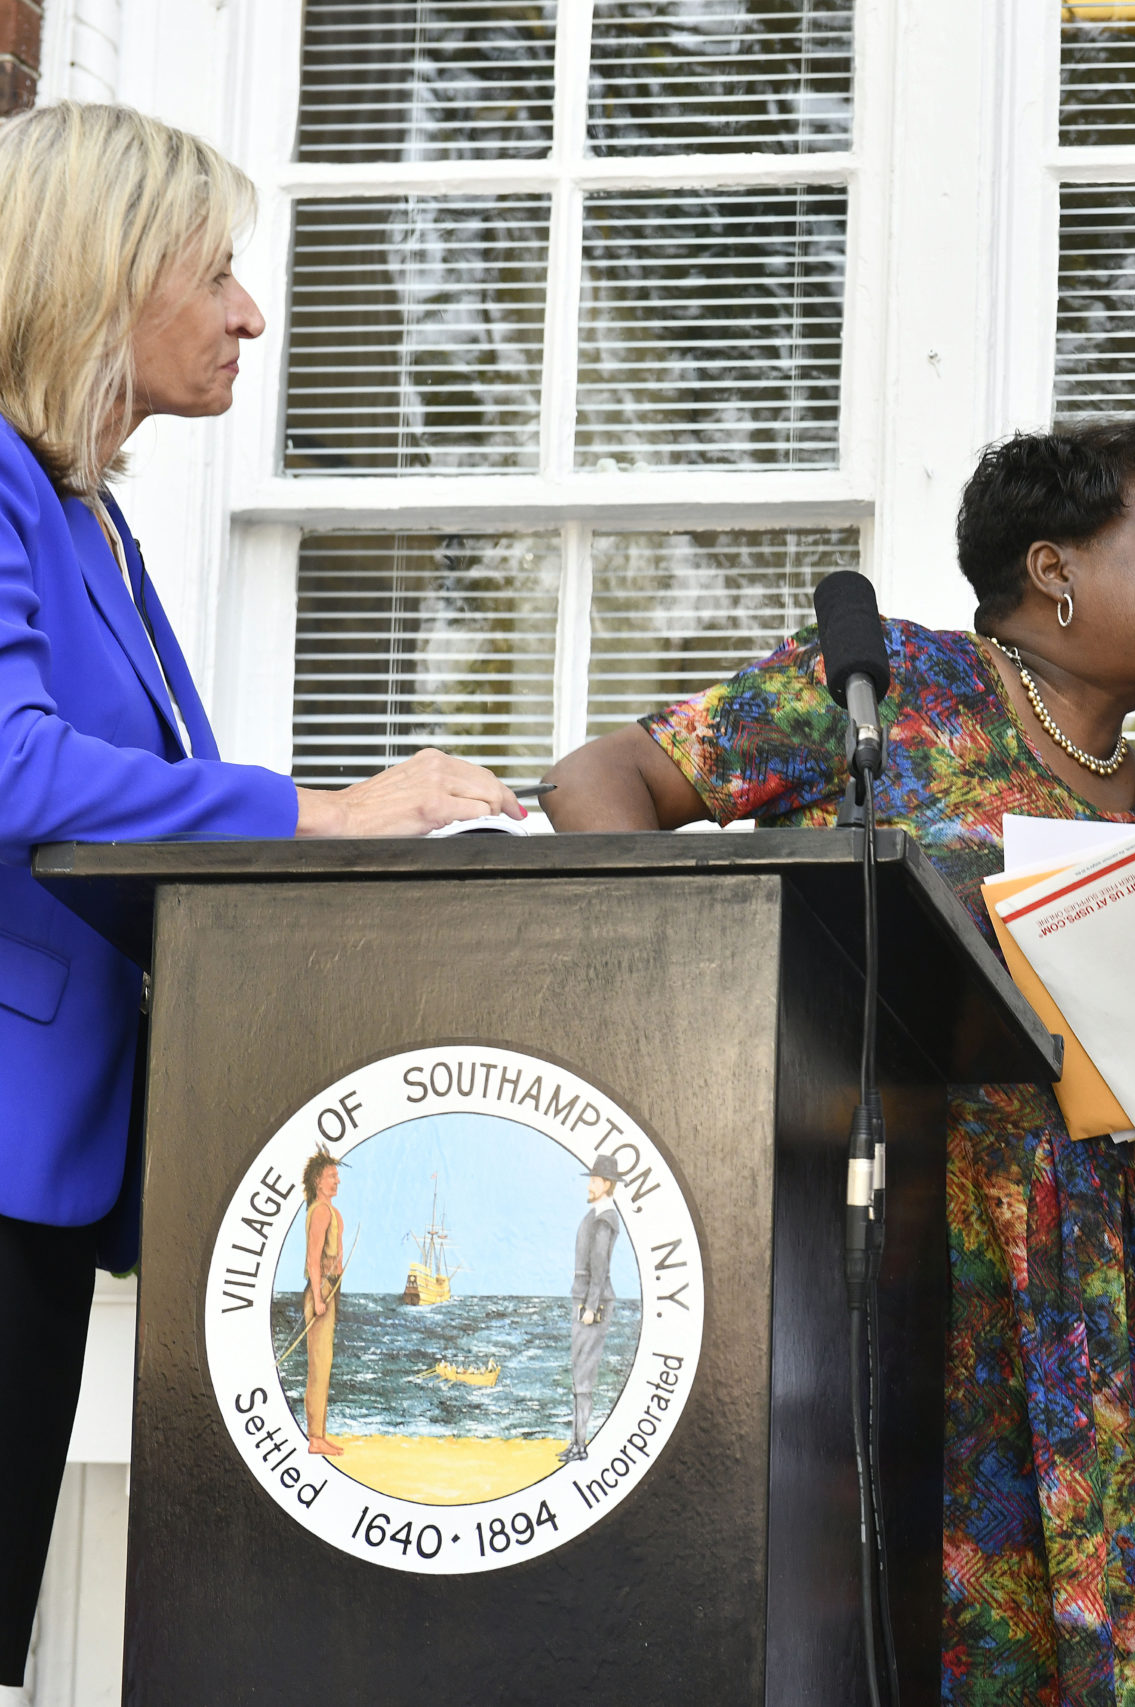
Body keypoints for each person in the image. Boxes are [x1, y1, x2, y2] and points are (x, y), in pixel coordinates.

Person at [540, 420, 1135, 1705]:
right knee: (858, 1634)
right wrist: (690, 1013)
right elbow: (605, 776)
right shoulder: (892, 685)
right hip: (861, 1244)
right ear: (1055, 568)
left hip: (1079, 1299)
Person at [0, 102, 523, 1686]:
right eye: (215, 271)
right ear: (98, 278)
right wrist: (325, 808)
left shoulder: (81, 502)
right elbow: (13, 767)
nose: (251, 313)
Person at [565, 1155, 623, 1463]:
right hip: (585, 1298)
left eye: (594, 1180)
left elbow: (599, 1267)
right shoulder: (597, 1215)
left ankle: (580, 1445)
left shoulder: (604, 1219)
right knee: (579, 1374)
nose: (589, 1185)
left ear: (607, 1185)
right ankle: (576, 1442)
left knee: (584, 1375)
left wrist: (590, 1306)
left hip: (592, 1303)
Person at [297, 1150, 348, 1458]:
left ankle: (320, 1435)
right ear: (318, 1181)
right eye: (331, 1176)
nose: (337, 1180)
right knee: (317, 1366)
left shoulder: (331, 1211)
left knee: (324, 1365)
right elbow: (313, 1259)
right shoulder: (320, 1212)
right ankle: (315, 1438)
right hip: (321, 1292)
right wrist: (317, 1298)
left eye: (337, 1176)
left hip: (331, 1290)